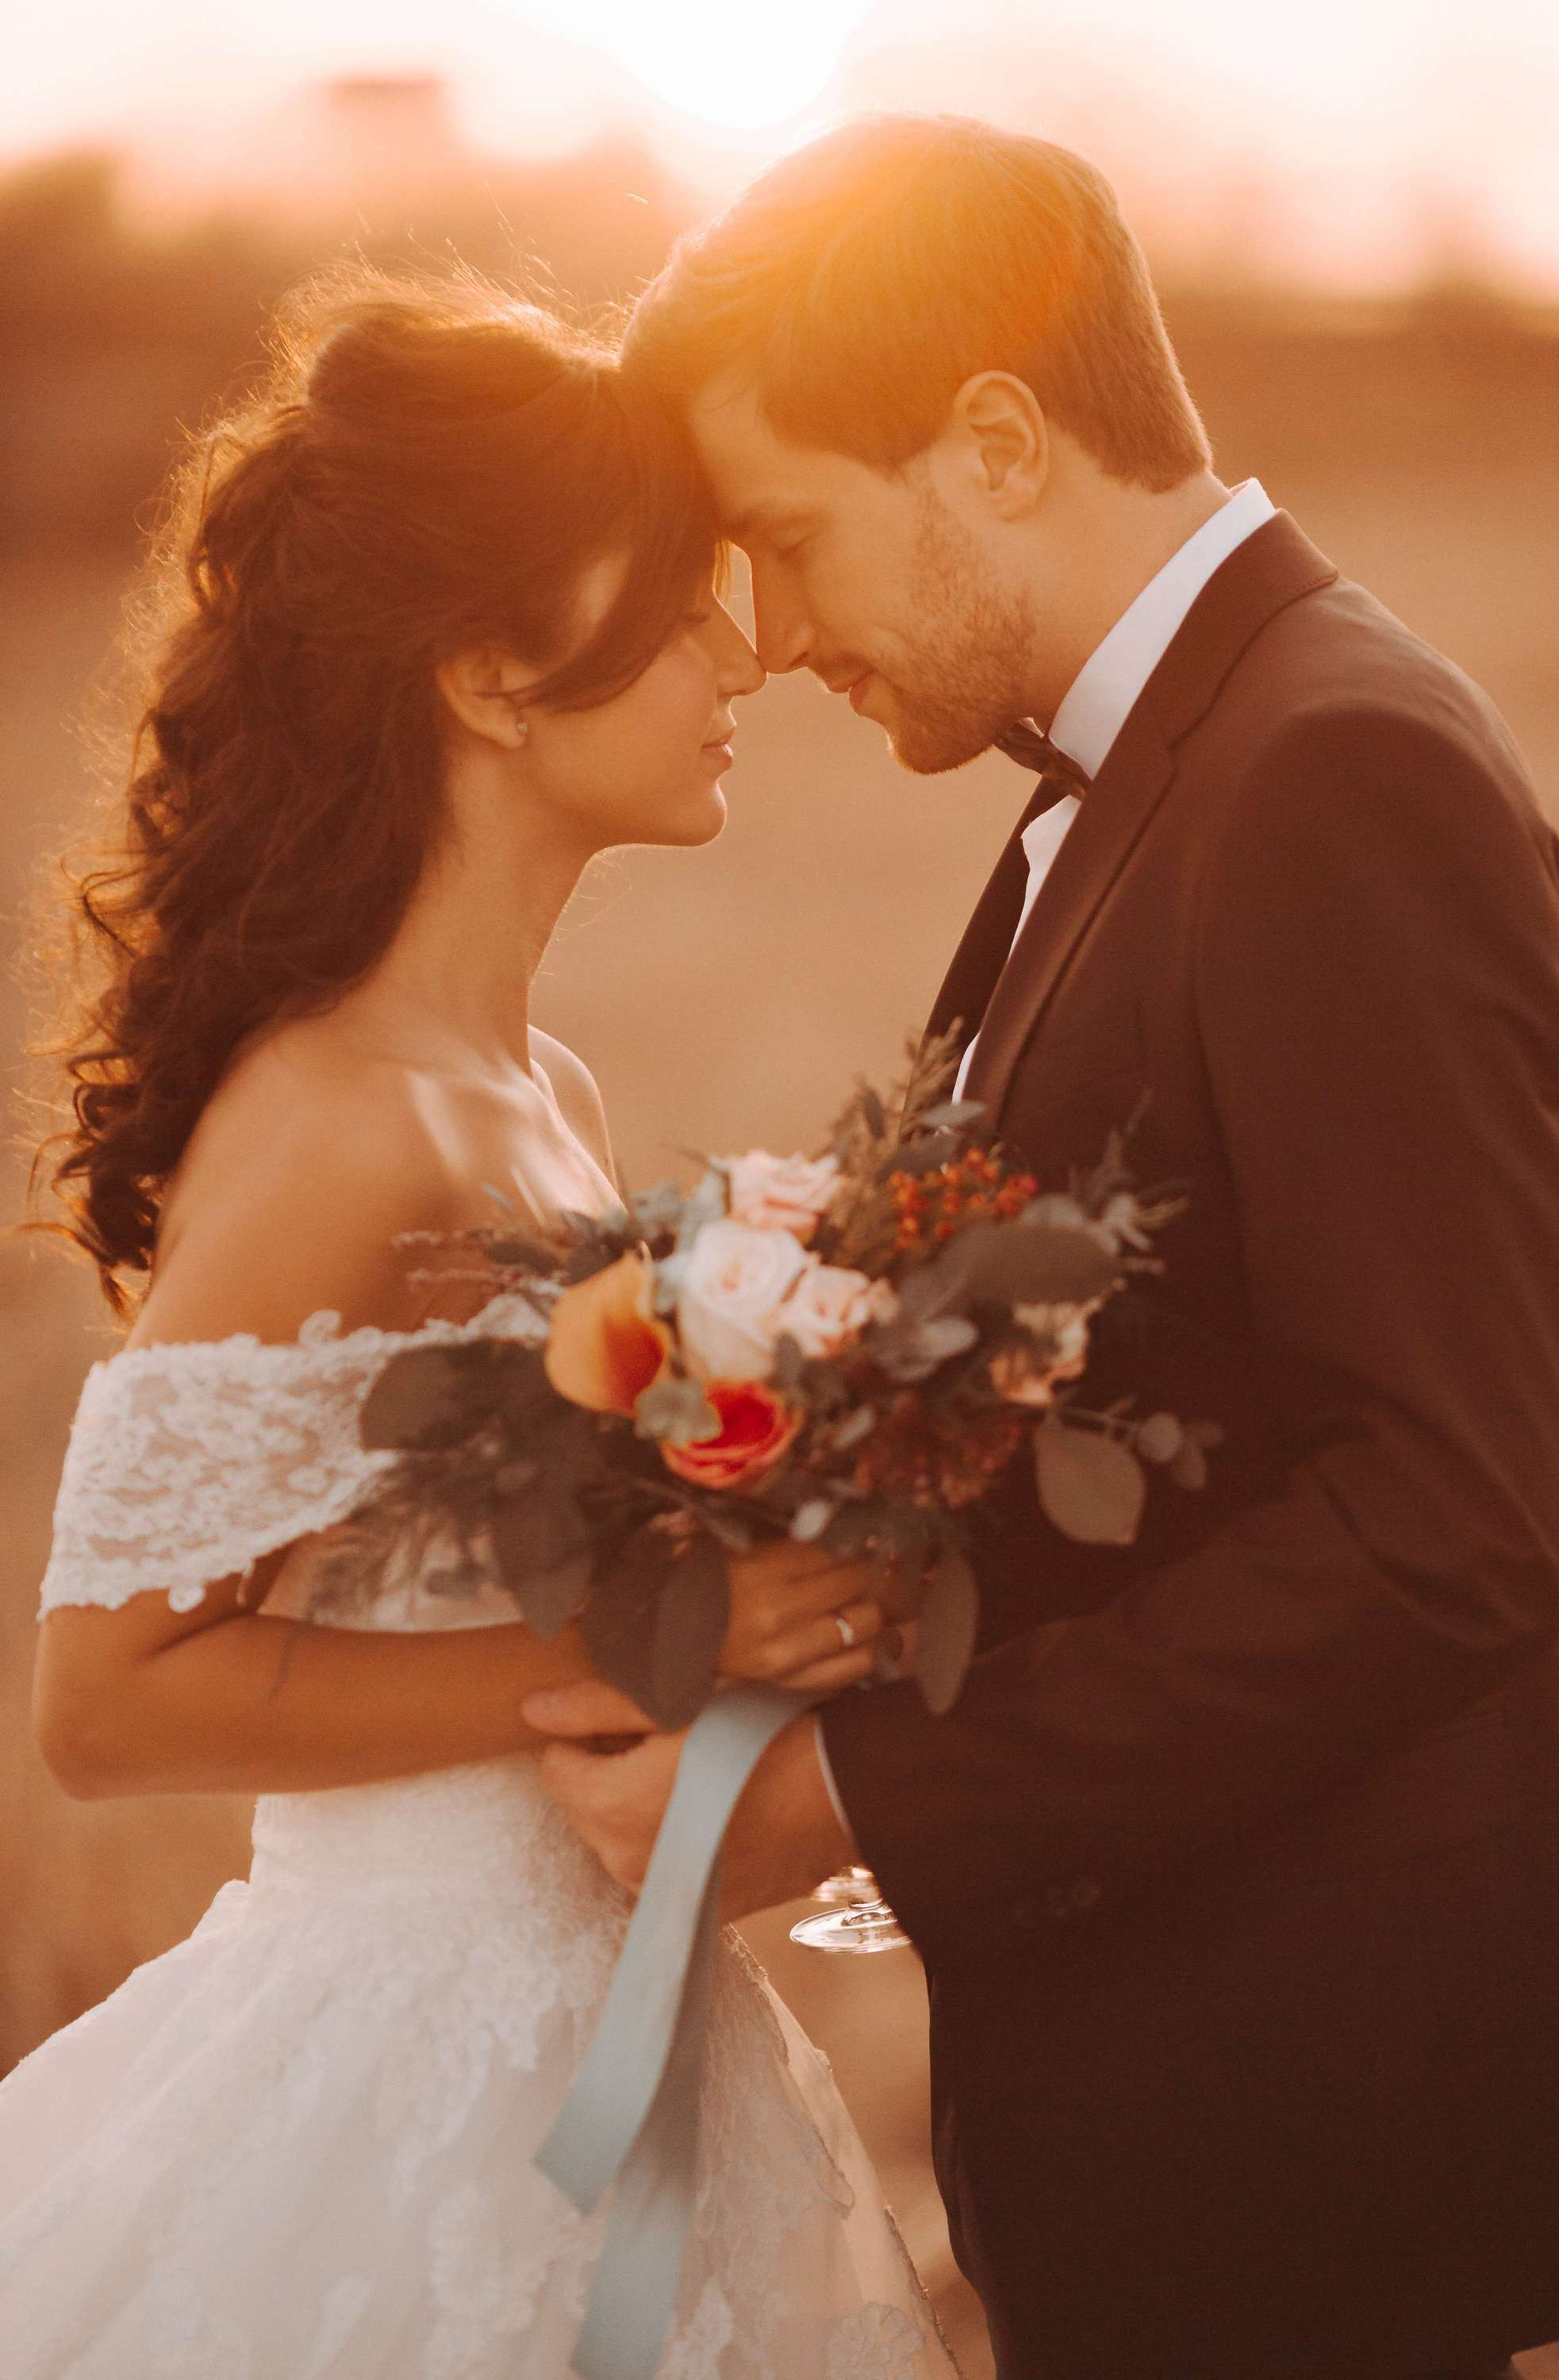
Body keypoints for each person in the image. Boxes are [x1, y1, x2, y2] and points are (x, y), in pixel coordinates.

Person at [527, 113, 1559, 2380]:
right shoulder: (1139, 780)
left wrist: (848, 1795)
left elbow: (1458, 1517)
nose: (777, 634)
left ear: (995, 439)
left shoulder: (1333, 779)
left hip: (1302, 2152)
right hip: (1169, 2118)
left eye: (790, 541)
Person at [0, 268, 956, 2378]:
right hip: (397, 2085)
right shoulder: (344, 1114)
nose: (747, 653)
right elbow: (108, 1694)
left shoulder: (537, 1095)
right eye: (676, 606)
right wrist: (660, 1641)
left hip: (612, 2032)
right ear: (490, 674)